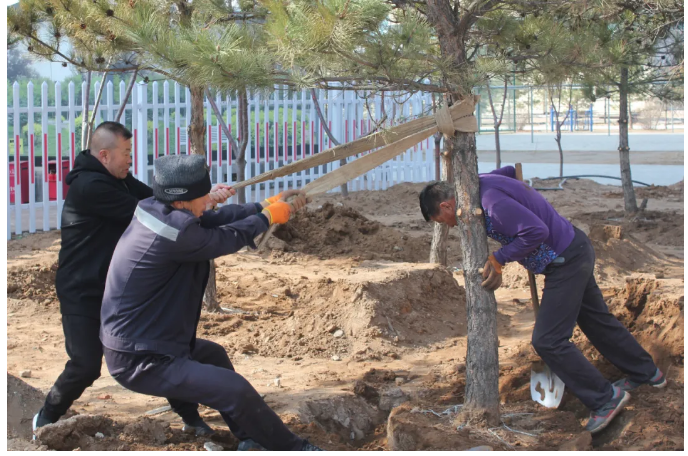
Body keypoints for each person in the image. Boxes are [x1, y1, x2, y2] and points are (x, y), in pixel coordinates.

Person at [418, 166, 666, 434]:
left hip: (565, 260)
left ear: (446, 204)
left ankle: (606, 399)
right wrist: (516, 185)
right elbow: (510, 171)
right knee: (596, 321)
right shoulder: (476, 183)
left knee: (548, 340)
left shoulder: (491, 203)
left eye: (444, 220)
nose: (451, 225)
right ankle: (647, 374)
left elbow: (536, 231)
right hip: (575, 248)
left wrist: (499, 258)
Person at [100, 154, 322, 451]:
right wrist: (268, 217)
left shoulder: (154, 209)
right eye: (204, 194)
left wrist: (264, 204)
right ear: (181, 201)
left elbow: (212, 217)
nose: (211, 197)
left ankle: (251, 437)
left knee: (213, 355)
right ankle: (295, 448)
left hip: (151, 340)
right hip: (141, 358)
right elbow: (225, 238)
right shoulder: (176, 233)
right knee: (236, 390)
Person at [34, 122, 216, 438]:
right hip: (84, 291)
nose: (131, 159)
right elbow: (151, 214)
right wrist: (199, 202)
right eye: (127, 153)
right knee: (86, 364)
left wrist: (199, 197)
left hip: (121, 292)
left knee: (160, 348)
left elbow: (161, 199)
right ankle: (46, 418)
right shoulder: (90, 187)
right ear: (104, 155)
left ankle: (190, 417)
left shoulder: (120, 180)